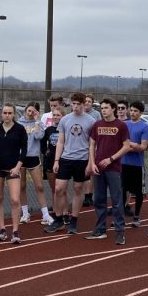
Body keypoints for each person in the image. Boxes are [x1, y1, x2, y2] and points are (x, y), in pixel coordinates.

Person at [48, 93, 96, 235]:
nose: (75, 107)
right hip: (66, 159)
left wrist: (90, 163)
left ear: (83, 104)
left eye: (78, 104)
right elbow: (60, 141)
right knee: (59, 189)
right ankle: (58, 219)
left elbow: (92, 144)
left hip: (82, 159)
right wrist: (56, 160)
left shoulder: (91, 121)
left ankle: (74, 220)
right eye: (73, 104)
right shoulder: (65, 120)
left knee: (77, 189)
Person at [86, 98, 132, 244]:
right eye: (102, 108)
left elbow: (126, 146)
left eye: (106, 108)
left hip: (114, 168)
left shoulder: (121, 125)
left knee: (117, 200)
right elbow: (92, 145)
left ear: (113, 109)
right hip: (98, 168)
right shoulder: (97, 125)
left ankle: (119, 231)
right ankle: (100, 230)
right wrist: (92, 163)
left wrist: (111, 159)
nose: (103, 110)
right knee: (99, 199)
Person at [0, 104, 27, 244]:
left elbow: (24, 150)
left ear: (14, 114)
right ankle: (2, 229)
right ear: (1, 114)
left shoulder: (20, 129)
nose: (7, 115)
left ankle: (15, 231)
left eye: (10, 113)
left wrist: (18, 167)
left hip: (13, 169)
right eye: (4, 113)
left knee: (15, 199)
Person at [17, 102, 53, 225]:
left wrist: (37, 121)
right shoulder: (19, 123)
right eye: (29, 111)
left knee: (39, 186)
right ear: (25, 110)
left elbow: (38, 136)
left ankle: (45, 214)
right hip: (21, 158)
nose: (31, 113)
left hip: (33, 157)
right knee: (21, 186)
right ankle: (25, 213)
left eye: (34, 111)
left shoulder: (39, 123)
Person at [122, 101, 148, 227]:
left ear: (141, 113)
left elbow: (143, 147)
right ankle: (120, 216)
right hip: (123, 163)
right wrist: (129, 146)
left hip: (137, 164)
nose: (133, 113)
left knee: (138, 191)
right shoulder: (124, 124)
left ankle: (137, 216)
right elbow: (120, 143)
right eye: (132, 110)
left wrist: (130, 146)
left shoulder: (144, 127)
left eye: (136, 111)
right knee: (122, 190)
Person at [41, 105, 65, 219]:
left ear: (63, 116)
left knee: (62, 189)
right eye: (54, 115)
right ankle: (56, 211)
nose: (56, 117)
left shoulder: (65, 129)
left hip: (63, 161)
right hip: (50, 161)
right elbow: (42, 144)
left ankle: (65, 212)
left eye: (58, 115)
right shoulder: (48, 130)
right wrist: (46, 152)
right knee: (54, 189)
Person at [81, 94, 100, 206]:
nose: (87, 103)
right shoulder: (79, 114)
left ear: (92, 103)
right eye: (85, 101)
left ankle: (89, 195)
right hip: (81, 146)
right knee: (83, 172)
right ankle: (85, 194)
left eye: (89, 101)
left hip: (93, 145)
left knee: (90, 170)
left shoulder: (96, 115)